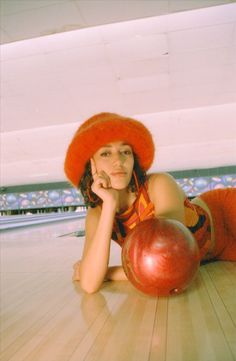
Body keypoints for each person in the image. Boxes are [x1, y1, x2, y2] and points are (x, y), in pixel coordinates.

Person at [64, 112, 236, 294]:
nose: (118, 160)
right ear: (91, 165)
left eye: (125, 152)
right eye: (105, 153)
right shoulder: (97, 214)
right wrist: (109, 205)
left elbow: (173, 259)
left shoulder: (159, 184)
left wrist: (109, 273)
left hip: (227, 214)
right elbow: (90, 284)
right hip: (215, 256)